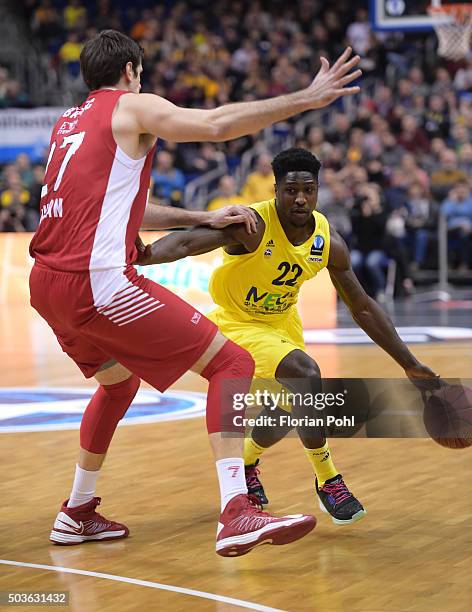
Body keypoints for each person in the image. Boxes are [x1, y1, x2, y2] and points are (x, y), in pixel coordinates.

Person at [28, 30, 363, 556]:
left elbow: (118, 209)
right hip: (95, 280)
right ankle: (237, 511)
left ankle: (76, 511)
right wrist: (305, 98)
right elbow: (214, 124)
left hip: (45, 281)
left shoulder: (68, 124)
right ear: (133, 71)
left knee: (118, 387)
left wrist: (199, 217)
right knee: (230, 364)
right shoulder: (133, 106)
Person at [138, 148, 439, 524]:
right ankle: (328, 479)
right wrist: (145, 255)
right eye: (290, 190)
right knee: (306, 374)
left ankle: (247, 462)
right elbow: (186, 243)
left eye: (308, 190)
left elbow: (361, 306)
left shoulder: (328, 239)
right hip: (237, 322)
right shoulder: (252, 225)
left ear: (317, 191)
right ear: (276, 189)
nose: (300, 198)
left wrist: (410, 364)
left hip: (282, 322)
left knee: (289, 405)